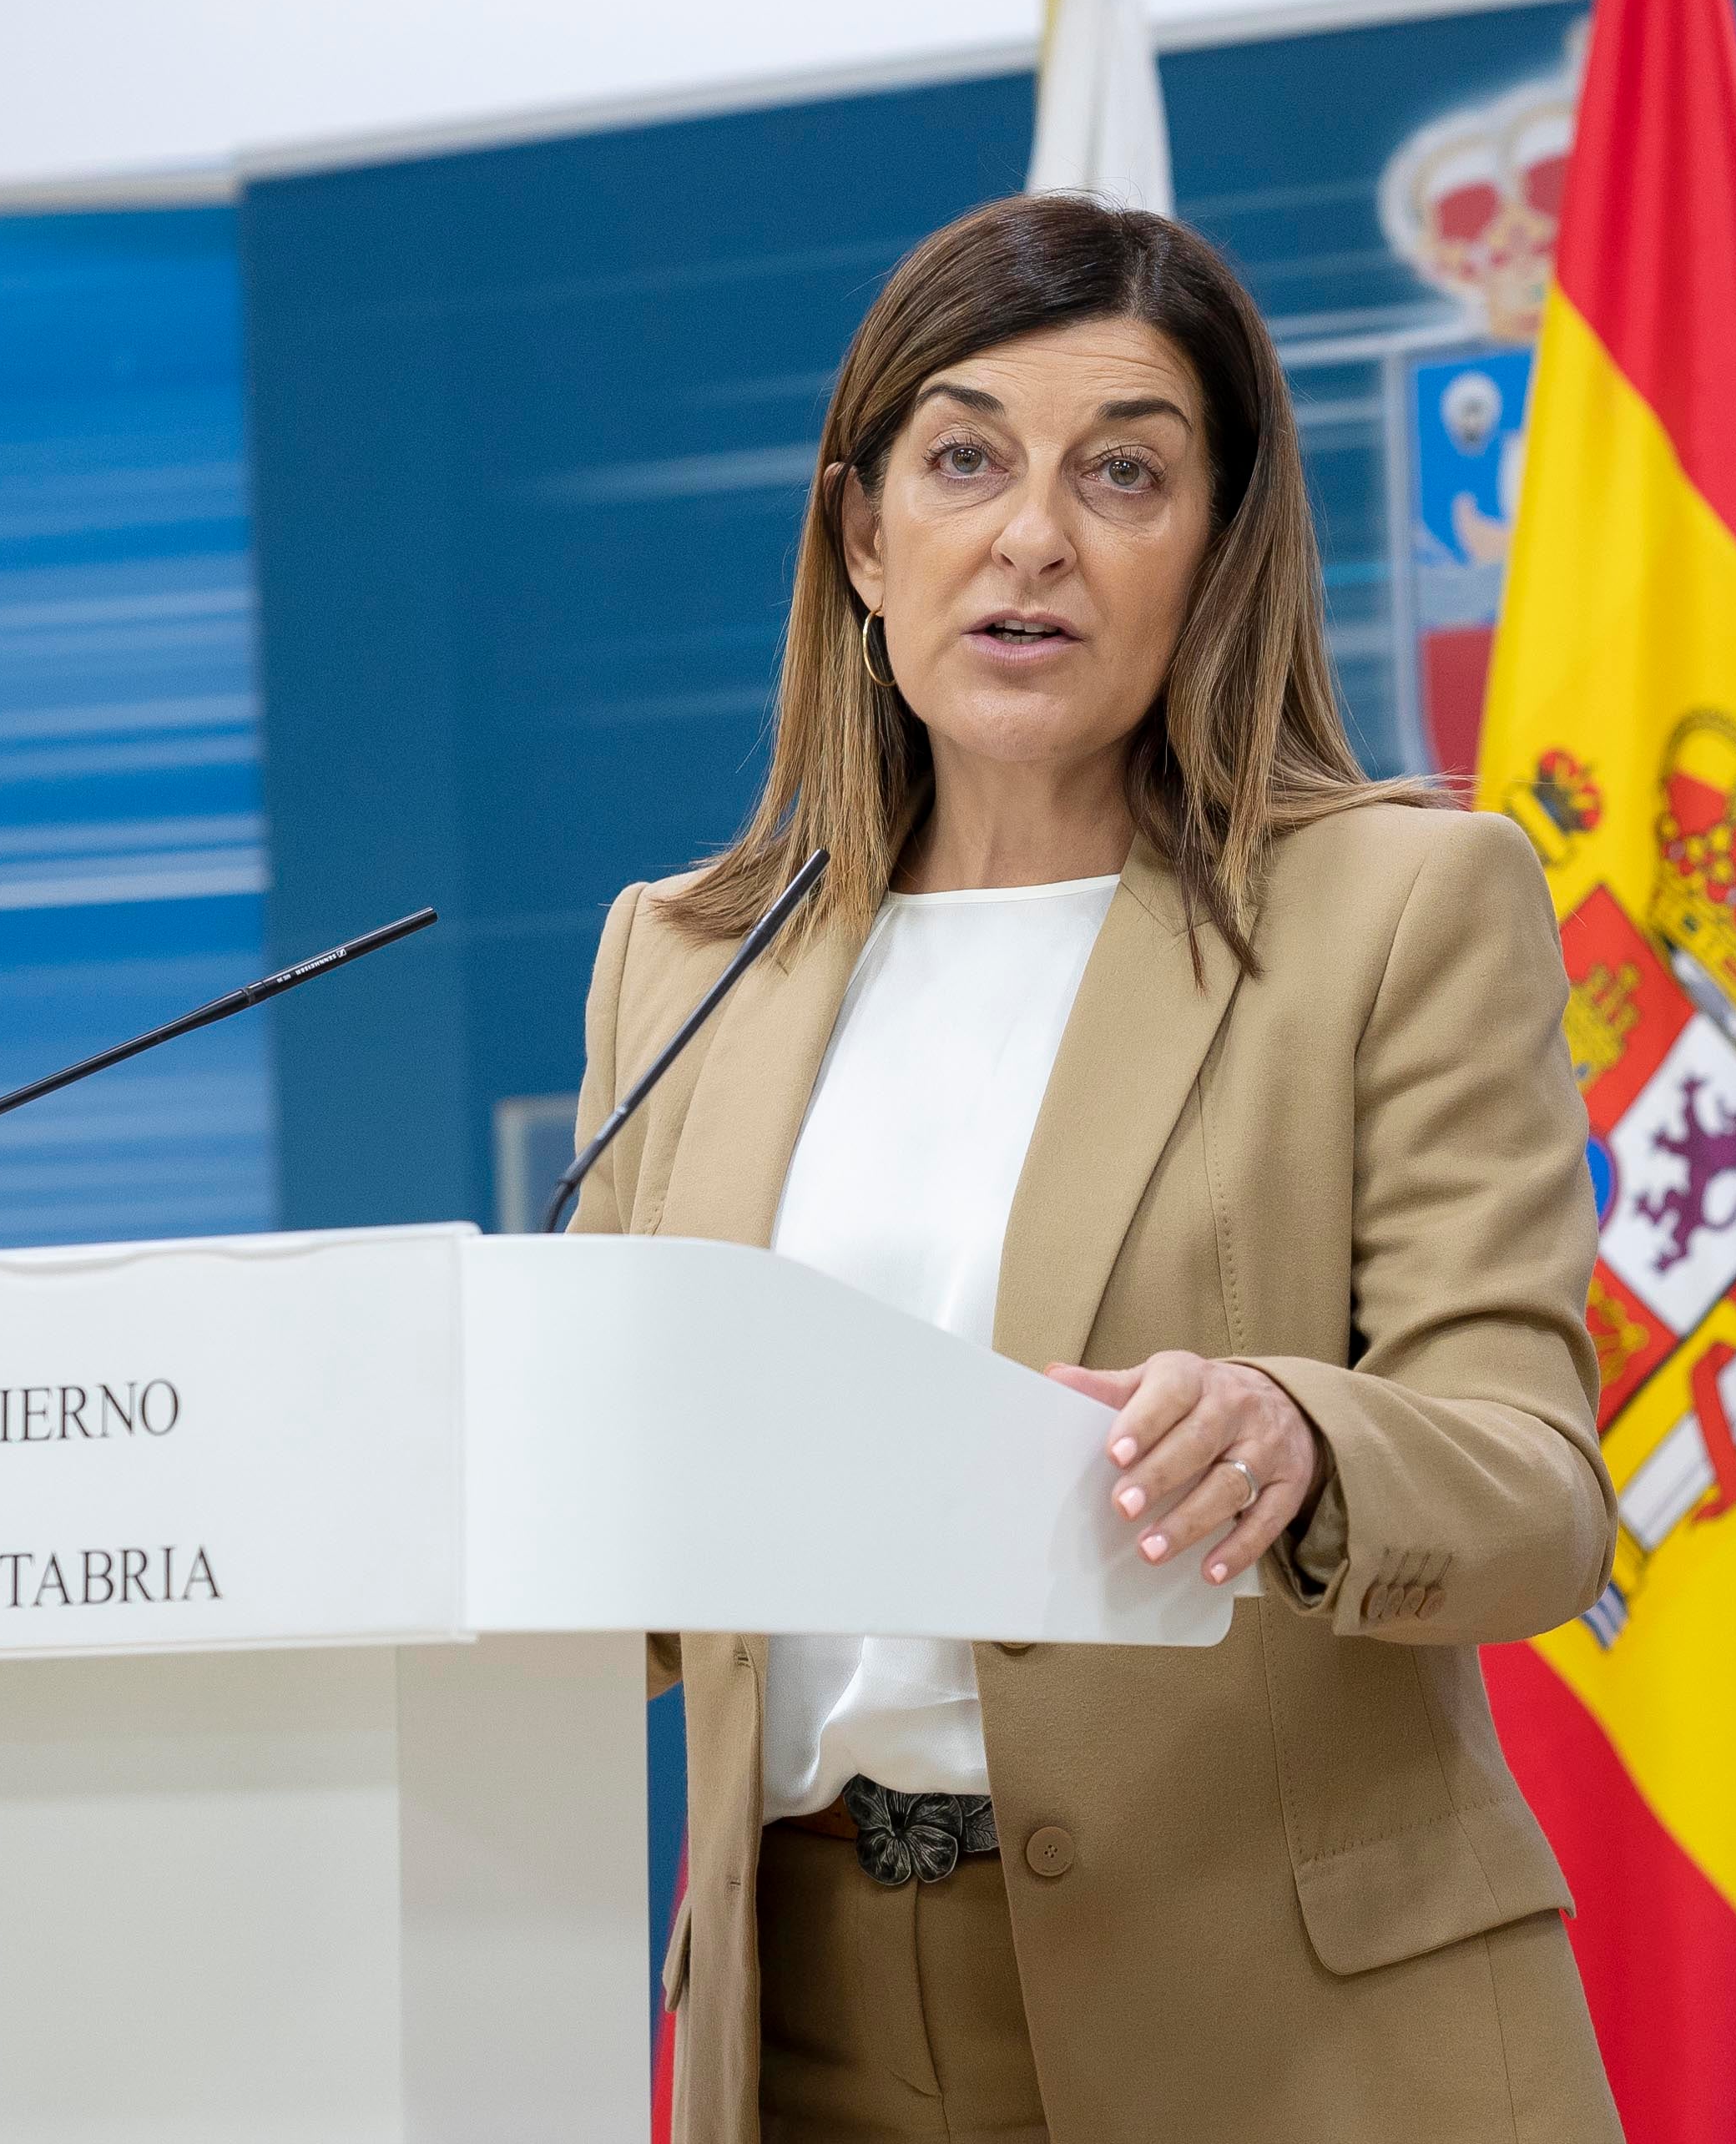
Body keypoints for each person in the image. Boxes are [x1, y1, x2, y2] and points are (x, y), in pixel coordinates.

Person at [566, 194, 1624, 2144]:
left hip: (1287, 2027)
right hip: (802, 2009)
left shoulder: (1398, 905)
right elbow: (618, 1516)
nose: (1032, 533)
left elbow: (1540, 1490)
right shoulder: (684, 958)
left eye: (1122, 471)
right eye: (963, 458)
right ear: (863, 535)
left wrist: (1303, 1436)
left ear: (1217, 546)